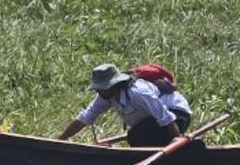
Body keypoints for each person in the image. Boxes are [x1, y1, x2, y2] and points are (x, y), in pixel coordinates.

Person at [57, 63, 192, 147]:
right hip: (153, 123)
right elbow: (85, 118)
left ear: (114, 85)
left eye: (102, 88)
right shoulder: (105, 95)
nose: (98, 91)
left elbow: (165, 117)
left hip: (177, 115)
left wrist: (178, 141)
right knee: (137, 135)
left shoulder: (138, 92)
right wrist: (61, 139)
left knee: (138, 135)